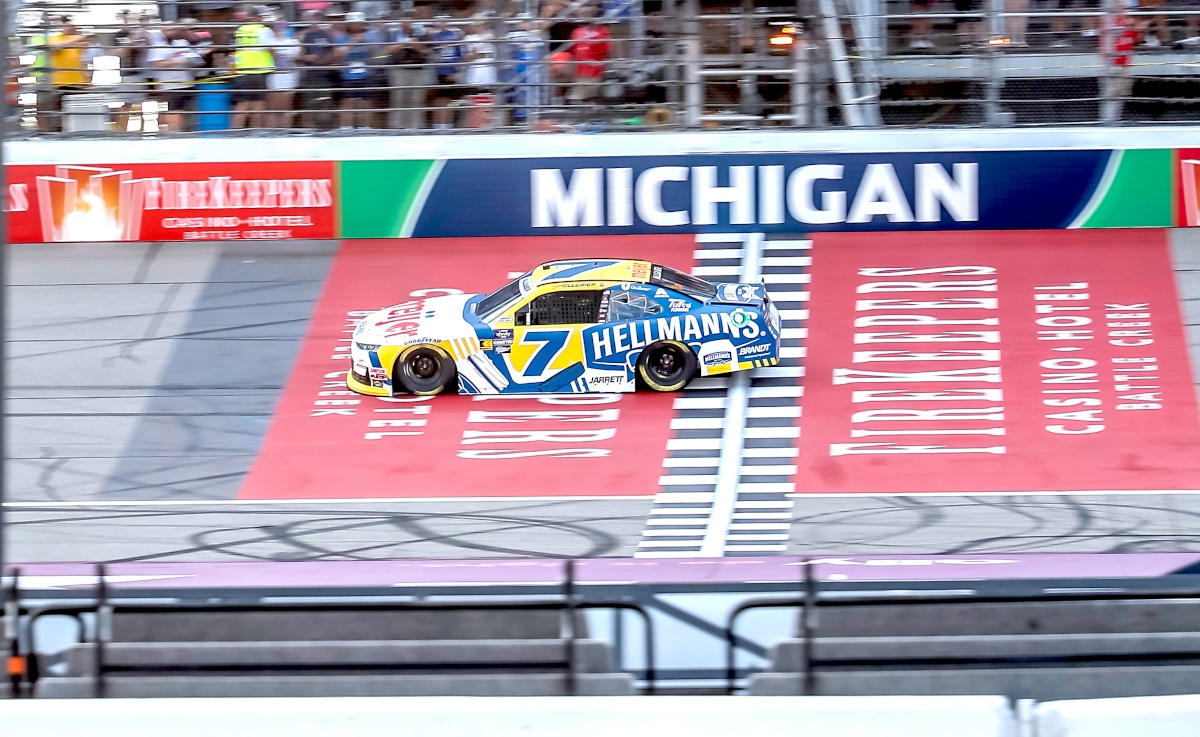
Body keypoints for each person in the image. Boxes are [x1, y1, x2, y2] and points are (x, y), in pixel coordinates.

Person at [333, 11, 384, 129]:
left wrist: (366, 41)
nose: (358, 26)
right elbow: (339, 54)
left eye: (360, 23)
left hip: (366, 74)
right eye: (354, 23)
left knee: (365, 103)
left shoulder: (370, 36)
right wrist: (352, 41)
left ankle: (365, 127)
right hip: (348, 75)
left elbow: (378, 53)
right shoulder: (341, 38)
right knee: (348, 102)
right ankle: (346, 128)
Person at [147, 24, 203, 131]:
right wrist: (178, 61)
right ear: (163, 32)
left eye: (173, 29)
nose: (171, 32)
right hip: (171, 85)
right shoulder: (158, 46)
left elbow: (195, 58)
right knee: (175, 111)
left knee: (189, 112)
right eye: (168, 30)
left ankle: (186, 132)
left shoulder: (182, 43)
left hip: (187, 82)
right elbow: (158, 64)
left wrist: (188, 60)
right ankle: (175, 133)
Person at [231, 6, 276, 128]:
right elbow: (271, 49)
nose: (263, 19)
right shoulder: (263, 30)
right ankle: (256, 133)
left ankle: (235, 133)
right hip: (259, 70)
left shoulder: (240, 30)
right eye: (262, 16)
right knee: (258, 105)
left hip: (241, 70)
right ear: (257, 17)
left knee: (242, 105)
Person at [46, 17, 91, 131]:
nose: (69, 27)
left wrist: (80, 35)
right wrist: (79, 37)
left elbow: (86, 53)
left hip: (78, 83)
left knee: (79, 112)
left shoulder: (78, 39)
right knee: (59, 111)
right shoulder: (55, 38)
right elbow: (55, 47)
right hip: (61, 83)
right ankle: (58, 132)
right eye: (66, 25)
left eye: (71, 25)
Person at [384, 15, 428, 129]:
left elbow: (425, 51)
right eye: (404, 21)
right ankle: (397, 126)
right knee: (398, 98)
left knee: (416, 99)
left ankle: (415, 125)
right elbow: (389, 50)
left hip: (417, 70)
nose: (407, 23)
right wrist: (403, 44)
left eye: (409, 21)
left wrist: (415, 44)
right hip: (399, 69)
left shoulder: (421, 33)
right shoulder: (394, 33)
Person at [298, 10, 338, 128]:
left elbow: (332, 51)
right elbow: (298, 56)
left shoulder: (326, 33)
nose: (315, 20)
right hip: (310, 75)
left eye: (317, 17)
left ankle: (325, 129)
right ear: (306, 19)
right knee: (310, 104)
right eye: (313, 17)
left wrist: (324, 60)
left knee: (325, 102)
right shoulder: (302, 35)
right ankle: (309, 129)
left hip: (325, 74)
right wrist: (309, 57)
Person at [427, 15, 463, 129]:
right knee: (439, 99)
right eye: (440, 21)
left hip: (450, 70)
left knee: (448, 99)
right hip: (438, 71)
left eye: (444, 21)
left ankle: (447, 124)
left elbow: (458, 54)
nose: (442, 23)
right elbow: (431, 51)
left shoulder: (454, 35)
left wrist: (456, 70)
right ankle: (438, 124)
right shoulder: (434, 36)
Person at [568, 10, 610, 105]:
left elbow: (605, 51)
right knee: (577, 97)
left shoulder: (602, 31)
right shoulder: (577, 31)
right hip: (580, 68)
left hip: (594, 69)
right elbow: (574, 51)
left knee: (588, 96)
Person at [267, 16, 301, 128]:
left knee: (286, 108)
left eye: (282, 25)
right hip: (274, 76)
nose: (280, 28)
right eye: (277, 25)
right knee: (273, 108)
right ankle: (273, 131)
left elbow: (295, 56)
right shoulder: (268, 41)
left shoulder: (292, 42)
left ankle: (285, 132)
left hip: (288, 76)